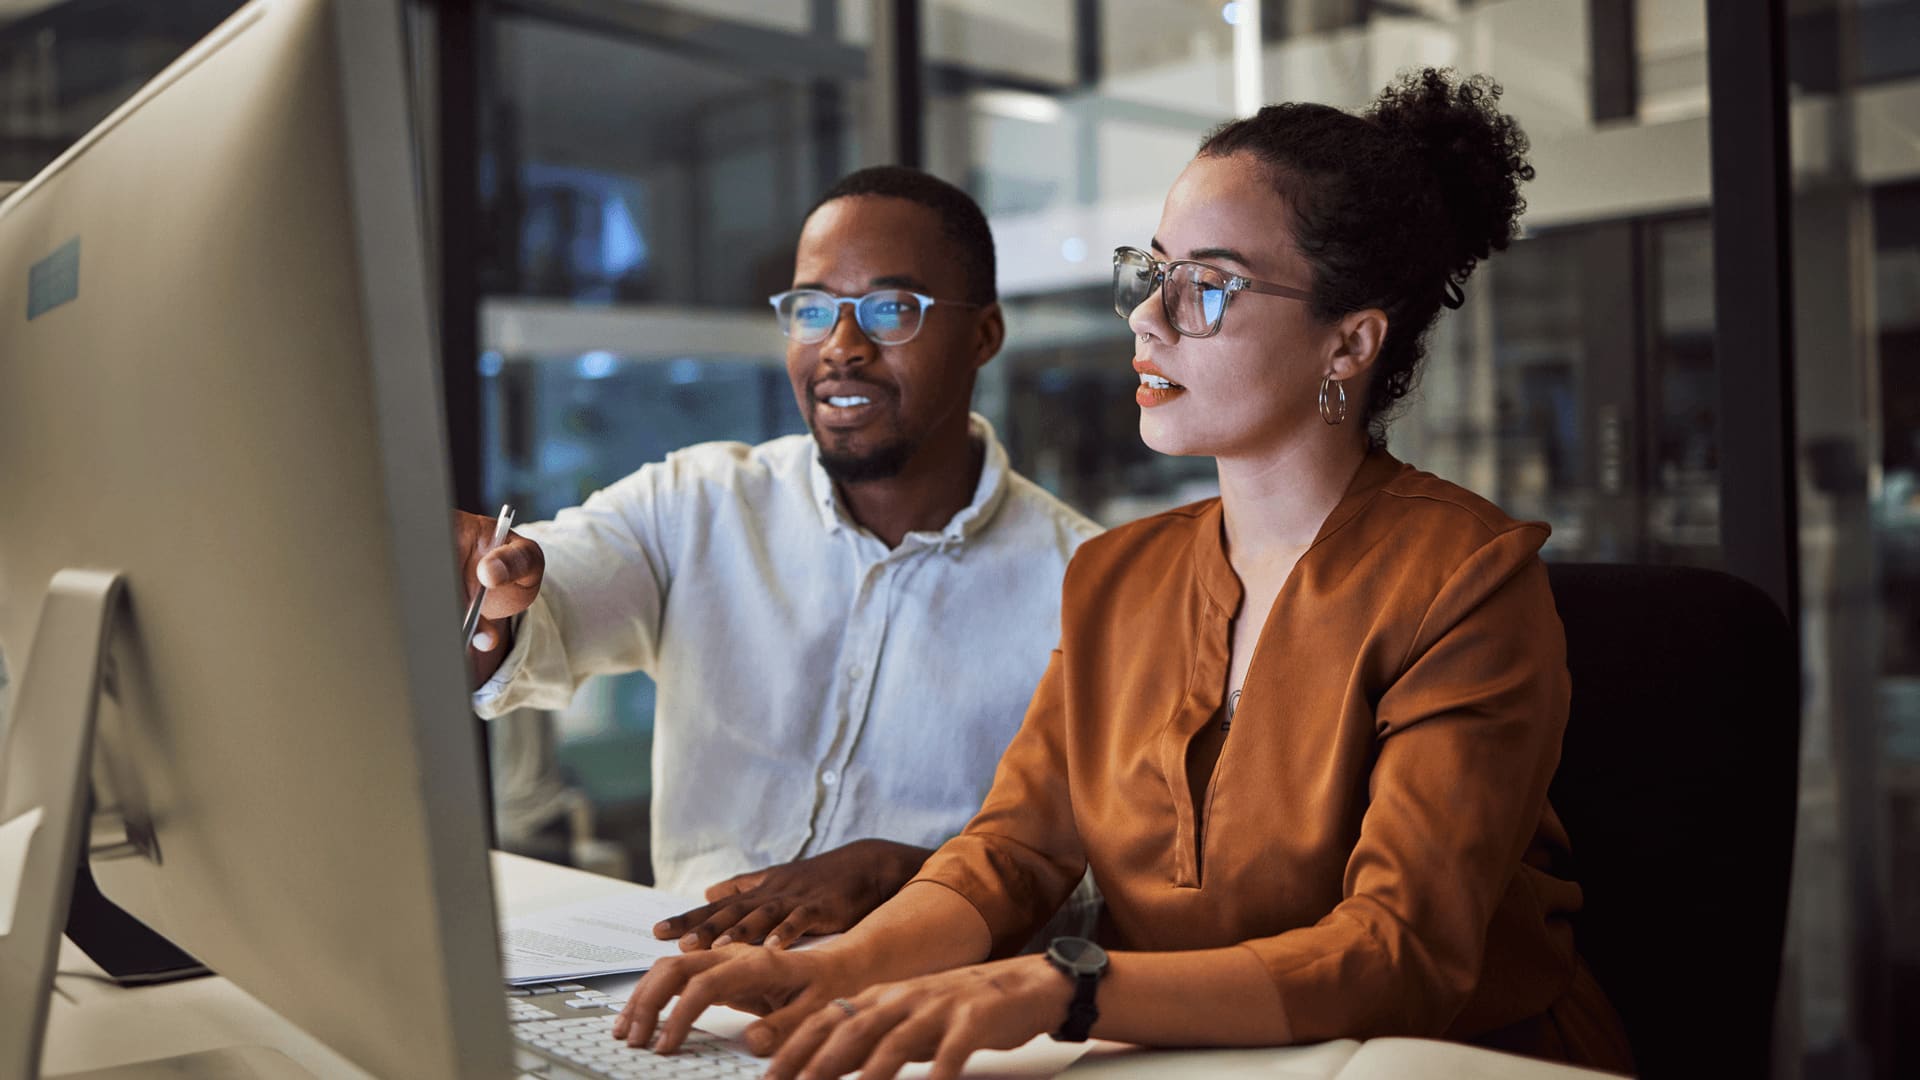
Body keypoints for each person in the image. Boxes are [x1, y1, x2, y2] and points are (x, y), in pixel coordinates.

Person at [610, 69, 1637, 1077]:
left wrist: (1063, 988)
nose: (1148, 316)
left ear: (1349, 343)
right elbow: (1011, 853)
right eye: (1151, 272)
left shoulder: (1466, 580)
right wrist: (831, 970)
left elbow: (1398, 953)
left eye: (1208, 286)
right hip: (1171, 1059)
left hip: (1434, 1064)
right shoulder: (1117, 575)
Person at [456, 166, 1102, 950]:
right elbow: (547, 607)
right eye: (812, 309)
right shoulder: (695, 501)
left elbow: (1109, 886)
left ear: (984, 336)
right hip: (688, 979)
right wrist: (491, 591)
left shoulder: (1090, 585)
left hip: (923, 1001)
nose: (842, 347)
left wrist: (919, 876)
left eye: (891, 309)